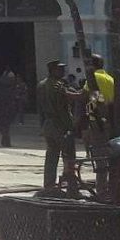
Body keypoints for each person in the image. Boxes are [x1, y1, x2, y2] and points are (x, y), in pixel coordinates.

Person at [37, 60, 81, 195]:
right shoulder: (57, 86)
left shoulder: (41, 85)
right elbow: (68, 102)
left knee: (51, 156)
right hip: (60, 126)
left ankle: (49, 186)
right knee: (69, 157)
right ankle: (71, 188)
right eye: (59, 69)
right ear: (53, 70)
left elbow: (39, 108)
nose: (63, 71)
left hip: (48, 124)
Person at [83, 53, 115, 200]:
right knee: (106, 155)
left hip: (96, 121)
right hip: (108, 120)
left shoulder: (92, 78)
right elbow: (109, 100)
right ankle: (106, 188)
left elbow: (89, 98)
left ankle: (101, 191)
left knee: (99, 157)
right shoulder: (109, 78)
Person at [0, 70, 21, 148]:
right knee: (5, 126)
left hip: (4, 109)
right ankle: (5, 140)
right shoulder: (11, 88)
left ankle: (5, 140)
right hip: (6, 108)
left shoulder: (2, 87)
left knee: (4, 126)